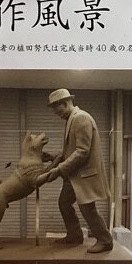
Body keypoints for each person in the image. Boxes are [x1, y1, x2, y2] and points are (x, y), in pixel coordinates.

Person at [46, 88, 114, 254]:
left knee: (87, 209)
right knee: (64, 203)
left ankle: (105, 240)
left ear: (64, 103)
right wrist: (54, 157)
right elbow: (72, 150)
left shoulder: (81, 118)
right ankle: (75, 235)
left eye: (56, 108)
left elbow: (82, 151)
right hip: (74, 175)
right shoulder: (72, 119)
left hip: (84, 175)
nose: (55, 112)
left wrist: (59, 169)